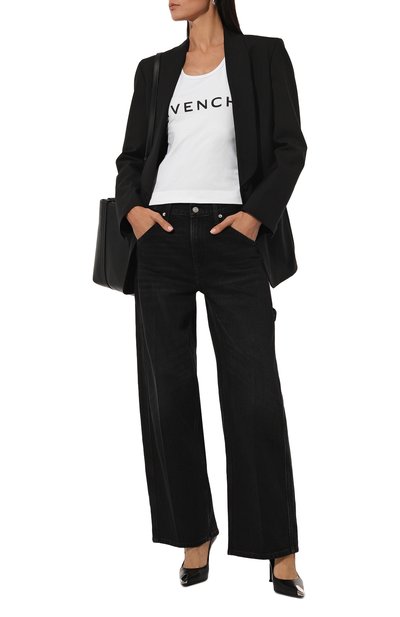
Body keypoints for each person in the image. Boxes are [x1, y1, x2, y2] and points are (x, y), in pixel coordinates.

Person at [114, 0, 307, 598]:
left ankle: (278, 548)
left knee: (254, 395)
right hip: (162, 239)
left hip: (234, 238)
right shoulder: (154, 70)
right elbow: (131, 158)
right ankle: (192, 536)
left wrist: (255, 216)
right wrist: (134, 212)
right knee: (167, 396)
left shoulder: (264, 56)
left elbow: (290, 148)